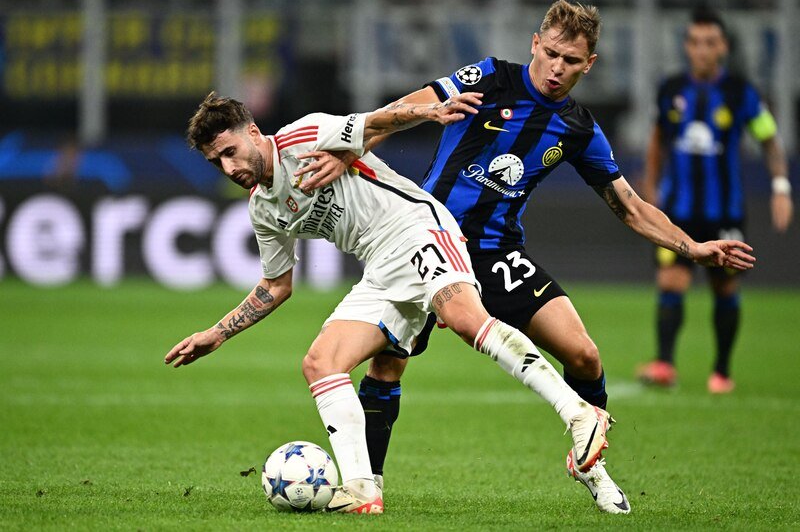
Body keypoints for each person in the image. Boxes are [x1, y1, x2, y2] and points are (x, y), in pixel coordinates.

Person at [293, 0, 755, 514]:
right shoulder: (489, 78)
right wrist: (349, 148)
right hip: (426, 237)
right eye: (551, 53)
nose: (557, 68)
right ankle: (369, 485)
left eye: (572, 61)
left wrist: (692, 248)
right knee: (387, 365)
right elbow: (409, 107)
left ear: (590, 64)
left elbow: (629, 206)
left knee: (584, 355)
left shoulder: (579, 129)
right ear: (535, 43)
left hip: (495, 253)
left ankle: (590, 463)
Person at [165, 90, 631, 514]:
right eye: (216, 162)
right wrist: (215, 334)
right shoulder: (262, 207)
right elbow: (276, 286)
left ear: (253, 132)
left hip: (417, 228)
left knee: (466, 320)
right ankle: (363, 489)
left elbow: (375, 123)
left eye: (229, 152)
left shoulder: (300, 137)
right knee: (320, 362)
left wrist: (428, 112)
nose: (229, 168)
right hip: (380, 268)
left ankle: (578, 412)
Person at [637, 7, 792, 393]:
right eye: (694, 42)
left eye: (709, 42)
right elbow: (658, 139)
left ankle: (721, 371)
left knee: (724, 288)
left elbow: (769, 140)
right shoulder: (671, 89)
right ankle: (664, 364)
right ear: (686, 45)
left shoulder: (741, 93)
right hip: (677, 211)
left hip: (724, 210)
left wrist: (781, 187)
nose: (701, 50)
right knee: (670, 281)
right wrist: (650, 186)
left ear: (722, 46)